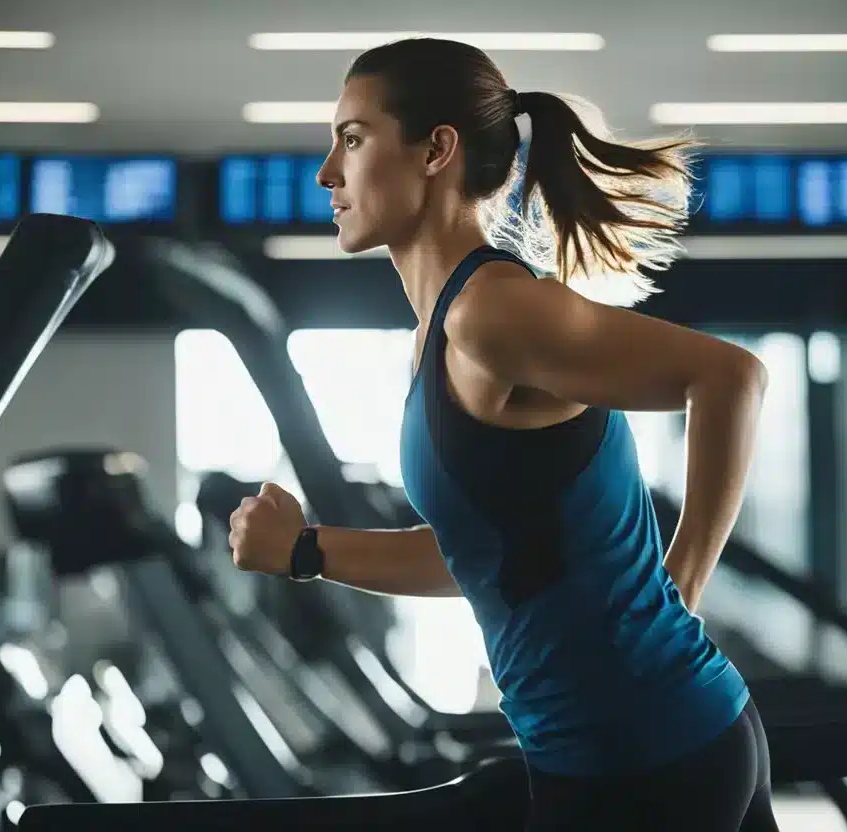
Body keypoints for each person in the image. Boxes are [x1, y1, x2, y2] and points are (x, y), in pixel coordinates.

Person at [228, 37, 778, 831]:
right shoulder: (444, 331)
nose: (327, 173)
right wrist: (305, 551)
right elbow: (480, 555)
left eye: (352, 139)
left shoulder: (492, 313)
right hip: (623, 749)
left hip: (643, 757)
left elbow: (730, 378)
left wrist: (680, 589)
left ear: (435, 151)